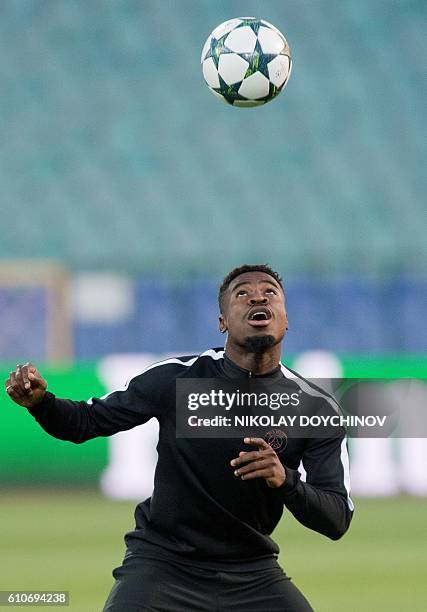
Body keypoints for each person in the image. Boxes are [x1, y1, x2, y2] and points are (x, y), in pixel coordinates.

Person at [5, 264, 353, 611]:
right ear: (222, 322)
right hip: (163, 565)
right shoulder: (177, 380)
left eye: (270, 293)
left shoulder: (314, 408)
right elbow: (84, 422)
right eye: (242, 293)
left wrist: (285, 480)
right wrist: (42, 404)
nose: (257, 297)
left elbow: (337, 519)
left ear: (286, 319)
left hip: (252, 573)